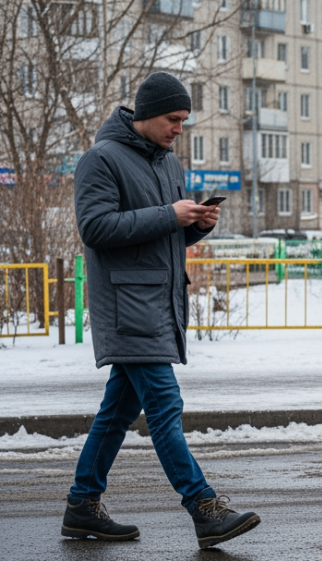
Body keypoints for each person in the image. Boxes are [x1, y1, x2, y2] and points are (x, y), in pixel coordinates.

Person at [64, 72, 261, 549]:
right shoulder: (100, 160)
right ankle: (204, 507)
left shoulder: (169, 164)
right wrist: (172, 215)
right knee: (165, 406)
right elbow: (95, 228)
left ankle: (82, 506)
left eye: (183, 120)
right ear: (147, 113)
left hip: (160, 304)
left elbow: (163, 235)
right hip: (127, 308)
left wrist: (196, 224)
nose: (179, 128)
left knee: (117, 412)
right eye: (173, 119)